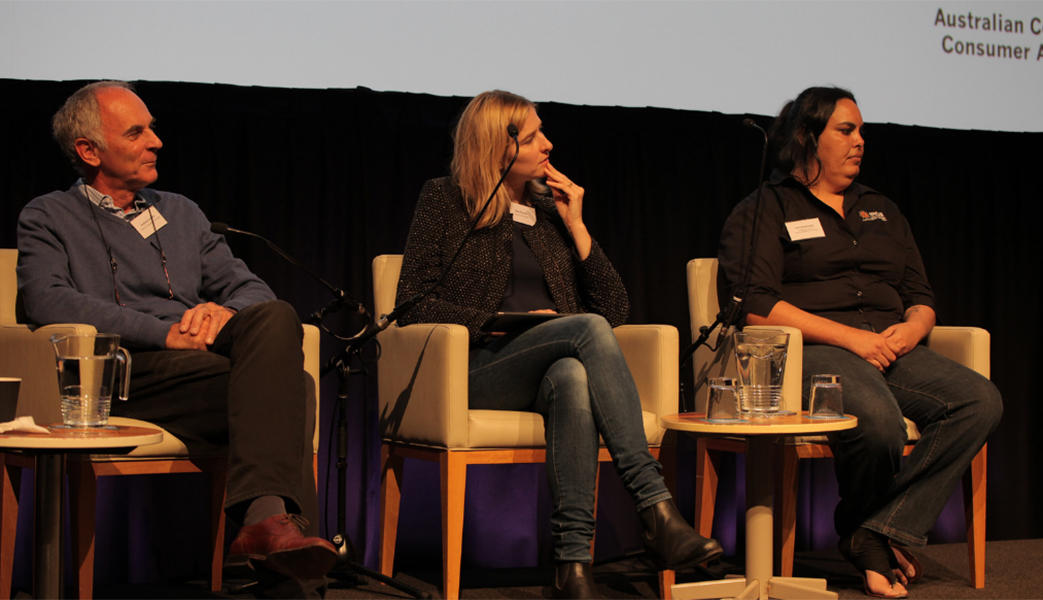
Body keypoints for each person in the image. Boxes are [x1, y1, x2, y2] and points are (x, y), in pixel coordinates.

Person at [396, 90, 722, 599]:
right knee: (584, 329)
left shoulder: (549, 212)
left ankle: (572, 568)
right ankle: (654, 507)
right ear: (498, 146)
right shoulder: (445, 199)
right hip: (473, 368)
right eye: (532, 137)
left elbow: (615, 309)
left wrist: (576, 223)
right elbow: (411, 303)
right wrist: (504, 322)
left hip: (547, 367)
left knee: (571, 375)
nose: (548, 144)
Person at [16, 81, 337, 591]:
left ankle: (265, 528)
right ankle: (286, 574)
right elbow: (48, 301)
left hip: (199, 365)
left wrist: (220, 313)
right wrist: (164, 333)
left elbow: (251, 289)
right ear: (89, 150)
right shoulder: (48, 215)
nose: (156, 142)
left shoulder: (181, 212)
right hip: (124, 374)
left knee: (274, 314)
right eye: (136, 132)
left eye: (153, 129)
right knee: (293, 388)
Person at [717, 86, 1002, 598]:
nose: (860, 141)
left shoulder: (881, 209)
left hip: (891, 346)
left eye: (861, 131)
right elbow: (755, 303)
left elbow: (921, 296)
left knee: (979, 400)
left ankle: (874, 529)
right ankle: (872, 541)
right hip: (817, 348)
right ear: (807, 138)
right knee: (876, 420)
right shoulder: (766, 207)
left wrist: (913, 328)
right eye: (846, 130)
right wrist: (852, 339)